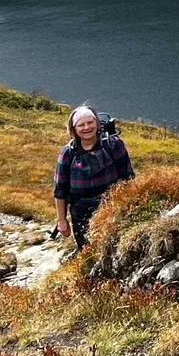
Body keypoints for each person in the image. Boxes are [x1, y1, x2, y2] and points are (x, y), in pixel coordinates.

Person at [54, 104, 134, 249]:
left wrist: (129, 206)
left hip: (112, 208)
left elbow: (128, 177)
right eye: (81, 125)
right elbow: (60, 190)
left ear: (97, 124)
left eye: (90, 122)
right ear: (74, 129)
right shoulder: (68, 153)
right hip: (81, 212)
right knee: (87, 250)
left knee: (112, 248)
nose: (87, 128)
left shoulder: (113, 145)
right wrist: (62, 220)